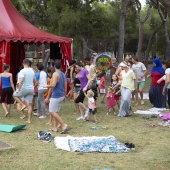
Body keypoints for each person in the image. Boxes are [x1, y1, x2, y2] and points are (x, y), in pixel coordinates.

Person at [44, 60, 68, 134]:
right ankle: (55, 127)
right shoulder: (63, 74)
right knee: (56, 111)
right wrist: (65, 95)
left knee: (52, 111)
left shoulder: (55, 74)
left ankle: (63, 124)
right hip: (61, 95)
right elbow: (65, 85)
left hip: (56, 95)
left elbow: (53, 85)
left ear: (54, 66)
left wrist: (46, 85)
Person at [13, 59, 35, 123]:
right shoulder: (32, 70)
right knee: (29, 105)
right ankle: (29, 120)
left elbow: (21, 80)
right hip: (31, 89)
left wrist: (18, 89)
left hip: (24, 88)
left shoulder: (22, 71)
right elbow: (34, 80)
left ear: (23, 64)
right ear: (28, 63)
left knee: (14, 95)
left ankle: (22, 105)